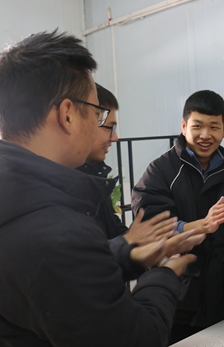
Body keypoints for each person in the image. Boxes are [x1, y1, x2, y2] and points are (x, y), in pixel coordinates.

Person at [0, 30, 203, 347]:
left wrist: (128, 257)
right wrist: (165, 275)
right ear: (67, 114)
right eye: (97, 114)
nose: (104, 130)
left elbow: (44, 285)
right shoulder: (54, 231)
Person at [131, 90, 224, 347]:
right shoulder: (161, 170)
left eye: (214, 127)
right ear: (183, 126)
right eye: (197, 126)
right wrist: (199, 225)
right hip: (181, 291)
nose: (205, 135)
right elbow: (149, 227)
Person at [76, 83, 177, 248]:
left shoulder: (93, 176)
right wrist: (130, 242)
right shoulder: (64, 185)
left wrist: (145, 242)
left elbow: (114, 231)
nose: (115, 137)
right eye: (109, 127)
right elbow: (86, 255)